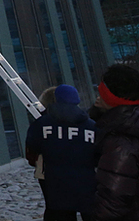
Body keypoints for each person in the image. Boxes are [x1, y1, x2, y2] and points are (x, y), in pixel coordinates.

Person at [25, 84, 97, 221]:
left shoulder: (42, 124)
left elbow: (32, 146)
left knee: (58, 214)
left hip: (54, 182)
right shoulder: (91, 126)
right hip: (86, 182)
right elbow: (99, 153)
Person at [91, 64, 139, 220]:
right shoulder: (131, 125)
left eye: (101, 93)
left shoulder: (120, 143)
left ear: (111, 98)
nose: (97, 97)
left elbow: (112, 203)